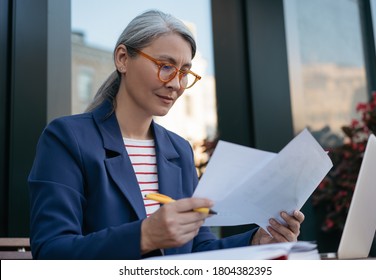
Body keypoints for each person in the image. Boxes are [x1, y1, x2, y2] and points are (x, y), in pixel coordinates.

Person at [28, 9, 305, 260]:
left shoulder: (179, 150)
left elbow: (197, 248)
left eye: (184, 72)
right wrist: (145, 236)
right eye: (165, 66)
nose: (175, 84)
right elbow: (52, 251)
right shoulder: (67, 138)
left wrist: (257, 241)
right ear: (123, 59)